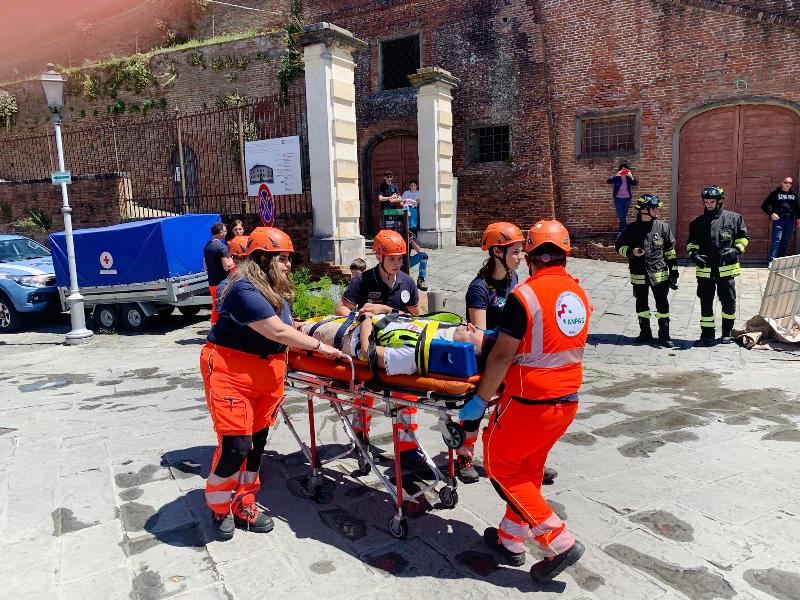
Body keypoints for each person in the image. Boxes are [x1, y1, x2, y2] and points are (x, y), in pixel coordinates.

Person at [459, 220, 590, 582]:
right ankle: (511, 537)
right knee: (529, 468)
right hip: (566, 401)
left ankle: (558, 540)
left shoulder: (525, 296)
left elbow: (503, 356)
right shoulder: (578, 293)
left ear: (531, 257)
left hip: (528, 401)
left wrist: (478, 402)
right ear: (565, 256)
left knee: (501, 468)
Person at [200, 226, 343, 540]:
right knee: (236, 445)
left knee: (258, 442)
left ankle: (245, 501)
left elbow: (287, 325)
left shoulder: (274, 290)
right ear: (264, 259)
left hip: (268, 373)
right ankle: (219, 504)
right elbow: (277, 331)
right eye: (282, 258)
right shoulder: (243, 289)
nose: (288, 265)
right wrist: (321, 347)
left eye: (288, 258)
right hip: (231, 371)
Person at [334, 230, 429, 472]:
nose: (397, 264)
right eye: (392, 259)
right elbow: (340, 309)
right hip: (369, 348)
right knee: (364, 396)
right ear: (379, 257)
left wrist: (386, 310)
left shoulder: (407, 282)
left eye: (400, 259)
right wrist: (361, 316)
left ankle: (407, 448)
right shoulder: (363, 281)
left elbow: (417, 316)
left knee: (406, 398)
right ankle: (359, 439)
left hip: (398, 349)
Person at [458, 222, 525, 485]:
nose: (521, 257)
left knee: (523, 403)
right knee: (479, 400)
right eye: (515, 252)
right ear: (498, 252)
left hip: (507, 352)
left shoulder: (513, 279)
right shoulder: (479, 288)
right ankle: (464, 455)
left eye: (521, 251)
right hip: (485, 355)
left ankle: (520, 456)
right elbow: (480, 336)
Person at [298, 316, 489, 376]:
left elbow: (368, 353)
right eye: (475, 328)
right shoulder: (441, 329)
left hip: (349, 337)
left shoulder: (418, 353)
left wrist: (366, 320)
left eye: (473, 333)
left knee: (299, 328)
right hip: (357, 322)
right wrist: (385, 311)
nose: (471, 326)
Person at [687, 185, 749, 346]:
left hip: (726, 269)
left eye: (712, 202)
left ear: (720, 201)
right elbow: (691, 243)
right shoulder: (697, 223)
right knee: (705, 303)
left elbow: (743, 237)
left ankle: (727, 333)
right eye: (706, 202)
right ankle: (707, 335)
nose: (708, 204)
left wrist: (736, 250)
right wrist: (694, 255)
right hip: (705, 270)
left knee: (729, 302)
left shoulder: (734, 218)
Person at [615, 194, 679, 348]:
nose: (657, 210)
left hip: (659, 274)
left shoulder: (662, 227)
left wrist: (674, 271)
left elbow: (670, 251)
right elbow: (619, 247)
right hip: (639, 274)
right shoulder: (631, 229)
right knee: (641, 304)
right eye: (654, 208)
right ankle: (645, 333)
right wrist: (631, 251)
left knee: (662, 305)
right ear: (644, 210)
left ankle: (664, 335)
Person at [761, 177, 800, 262]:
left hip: (790, 220)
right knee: (777, 240)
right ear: (782, 183)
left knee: (785, 241)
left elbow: (796, 208)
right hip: (779, 220)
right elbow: (764, 205)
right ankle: (772, 261)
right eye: (786, 182)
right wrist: (771, 214)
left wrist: (799, 217)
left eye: (790, 183)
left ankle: (779, 261)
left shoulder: (793, 195)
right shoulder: (775, 193)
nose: (788, 184)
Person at [204, 222, 235, 324]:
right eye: (225, 231)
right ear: (221, 232)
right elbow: (227, 267)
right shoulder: (222, 247)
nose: (226, 233)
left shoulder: (207, 246)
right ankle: (220, 328)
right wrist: (232, 260)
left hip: (212, 282)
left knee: (215, 306)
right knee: (223, 307)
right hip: (222, 283)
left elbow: (205, 266)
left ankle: (214, 326)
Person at [607, 163, 638, 232]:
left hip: (627, 198)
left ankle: (622, 231)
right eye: (622, 170)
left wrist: (631, 176)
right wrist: (616, 175)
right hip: (618, 199)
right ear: (620, 170)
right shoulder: (617, 177)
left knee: (624, 215)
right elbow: (608, 181)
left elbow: (635, 183)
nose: (623, 171)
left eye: (625, 170)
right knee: (620, 215)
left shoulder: (628, 178)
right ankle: (625, 230)